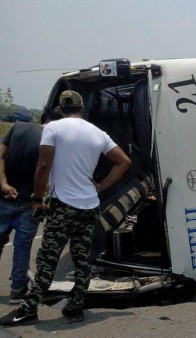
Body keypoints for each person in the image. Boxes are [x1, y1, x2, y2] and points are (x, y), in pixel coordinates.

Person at [0, 90, 132, 327]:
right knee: (83, 258)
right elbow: (124, 161)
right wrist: (101, 186)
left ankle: (28, 310)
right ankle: (76, 306)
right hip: (90, 205)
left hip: (63, 205)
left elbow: (43, 165)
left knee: (48, 258)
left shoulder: (53, 128)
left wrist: (38, 198)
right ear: (82, 109)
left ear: (60, 110)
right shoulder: (98, 133)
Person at [0, 110, 61, 305]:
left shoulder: (18, 127)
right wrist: (39, 198)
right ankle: (17, 290)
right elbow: (45, 172)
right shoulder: (51, 142)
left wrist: (4, 184)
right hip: (29, 203)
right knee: (22, 247)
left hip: (3, 198)